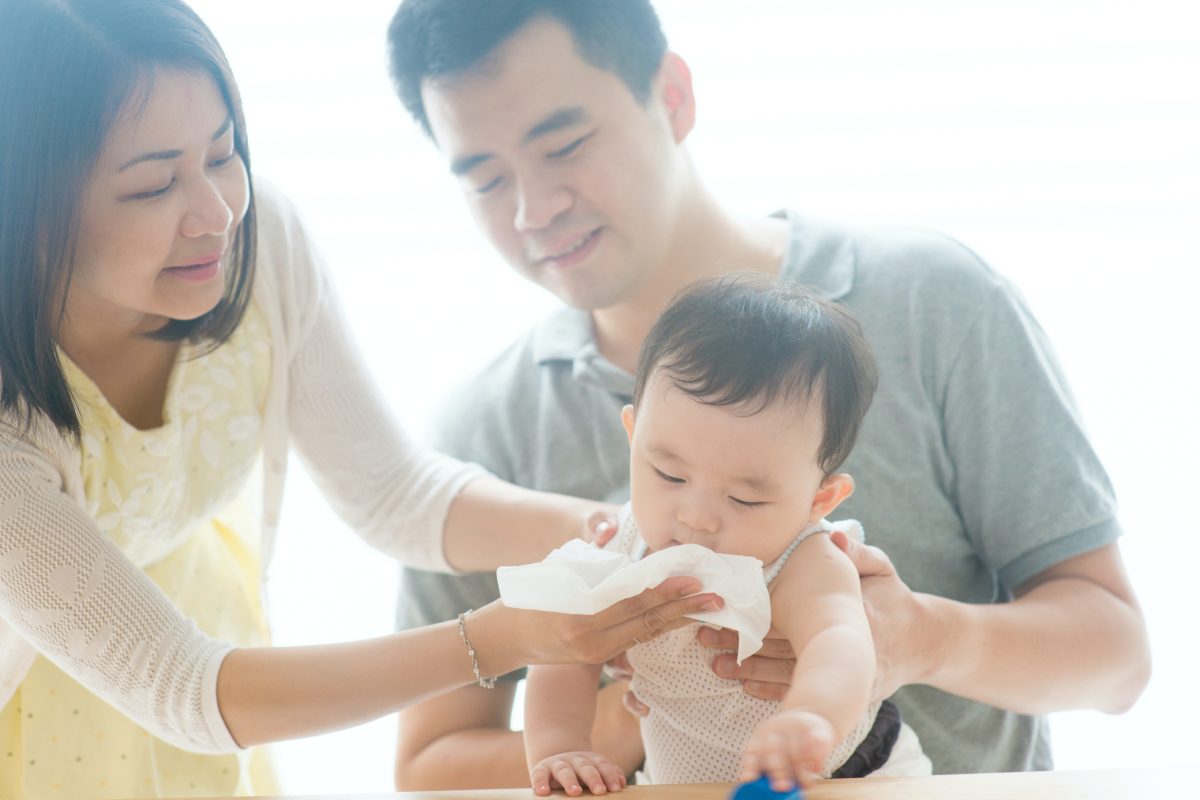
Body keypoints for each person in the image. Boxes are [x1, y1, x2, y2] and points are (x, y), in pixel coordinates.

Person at [386, 0, 1151, 788]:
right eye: (484, 179)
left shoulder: (937, 303)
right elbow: (428, 769)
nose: (532, 209)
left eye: (567, 145)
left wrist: (917, 639)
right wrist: (633, 702)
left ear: (675, 96)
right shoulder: (482, 431)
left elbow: (1118, 661)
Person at [0, 1, 724, 797]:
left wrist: (620, 535)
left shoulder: (255, 241)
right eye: (151, 186)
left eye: (222, 153)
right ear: (25, 208)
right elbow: (181, 685)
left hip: (199, 656)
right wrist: (500, 637)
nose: (215, 214)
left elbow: (392, 493)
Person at [522, 276, 932, 796]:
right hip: (678, 781)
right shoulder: (619, 548)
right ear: (633, 436)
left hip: (840, 776)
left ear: (819, 500)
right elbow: (561, 653)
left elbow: (842, 640)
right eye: (669, 475)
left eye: (746, 499)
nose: (696, 517)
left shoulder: (803, 557)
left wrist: (811, 714)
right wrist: (561, 746)